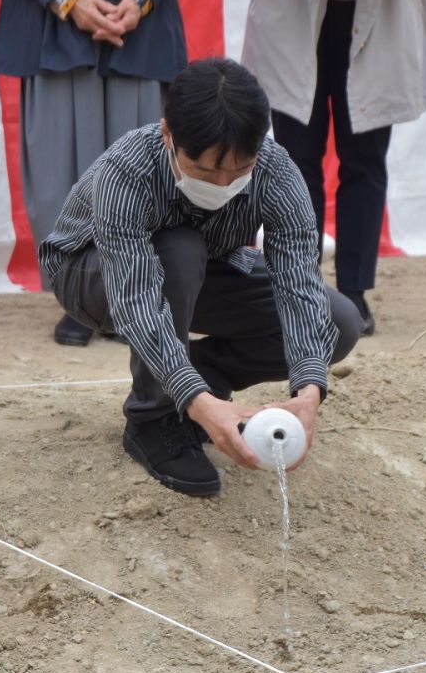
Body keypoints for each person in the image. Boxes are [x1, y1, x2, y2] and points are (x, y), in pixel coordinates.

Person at [40, 58, 362, 497]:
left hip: (205, 267)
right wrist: (195, 403)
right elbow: (136, 303)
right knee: (180, 248)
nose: (224, 181)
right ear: (168, 133)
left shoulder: (276, 172)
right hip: (92, 273)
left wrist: (309, 388)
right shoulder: (128, 171)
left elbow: (299, 283)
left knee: (337, 321)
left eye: (240, 168)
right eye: (206, 169)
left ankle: (205, 380)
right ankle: (153, 418)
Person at [235, 0, 426, 336]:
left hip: (379, 12)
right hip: (295, 7)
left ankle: (353, 291)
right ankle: (301, 287)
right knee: (296, 162)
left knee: (364, 160)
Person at [0, 0, 192, 347]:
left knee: (139, 174)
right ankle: (79, 297)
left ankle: (131, 299)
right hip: (51, 27)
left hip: (139, 28)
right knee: (60, 174)